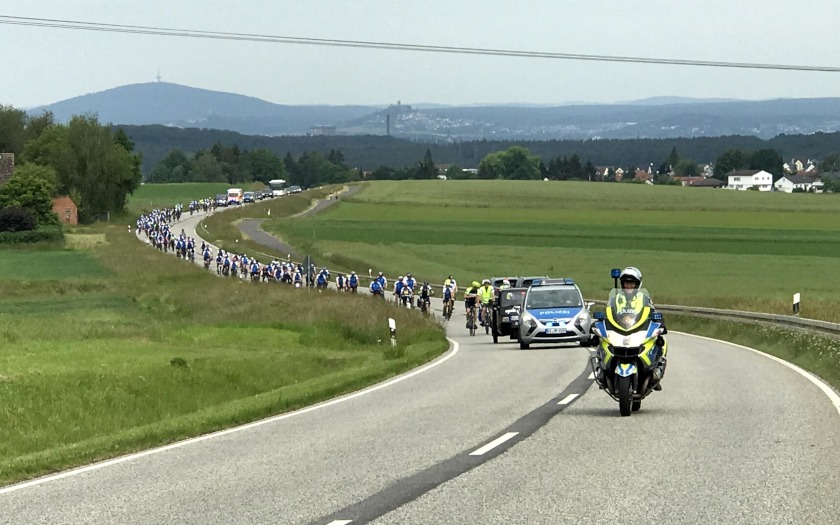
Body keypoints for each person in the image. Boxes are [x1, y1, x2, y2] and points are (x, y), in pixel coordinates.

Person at [606, 267, 668, 390]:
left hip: (639, 329)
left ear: (637, 284)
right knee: (603, 341)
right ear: (622, 284)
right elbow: (609, 312)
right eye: (626, 283)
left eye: (632, 283)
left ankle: (655, 373)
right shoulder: (615, 299)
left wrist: (659, 321)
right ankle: (605, 371)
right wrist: (602, 320)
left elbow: (652, 310)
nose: (629, 286)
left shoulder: (644, 299)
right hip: (620, 329)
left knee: (661, 342)